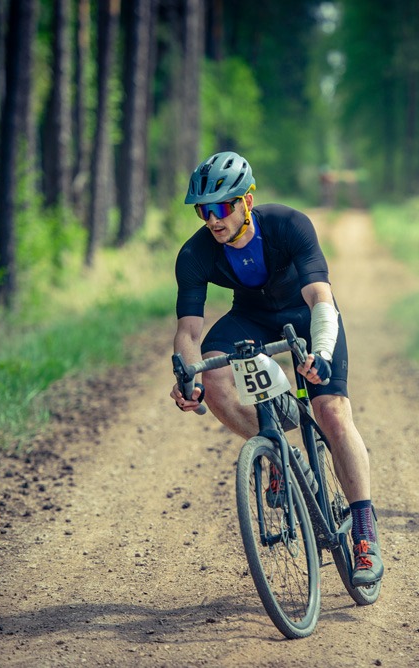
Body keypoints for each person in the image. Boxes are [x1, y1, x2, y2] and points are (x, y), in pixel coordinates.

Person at [170, 151, 384, 585]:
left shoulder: (288, 225)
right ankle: (275, 449)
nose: (212, 219)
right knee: (213, 375)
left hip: (306, 313)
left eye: (222, 207)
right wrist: (187, 376)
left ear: (247, 200)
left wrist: (321, 354)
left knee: (332, 412)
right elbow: (190, 333)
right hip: (250, 316)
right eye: (203, 210)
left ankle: (364, 535)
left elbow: (321, 298)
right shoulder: (194, 254)